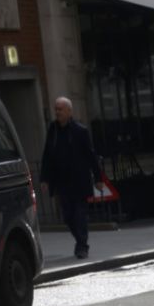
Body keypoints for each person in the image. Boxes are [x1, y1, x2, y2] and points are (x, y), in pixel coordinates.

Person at [40, 97, 102, 259]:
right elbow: (47, 155)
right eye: (56, 109)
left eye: (60, 109)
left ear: (69, 111)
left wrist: (98, 178)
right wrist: (44, 178)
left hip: (79, 180)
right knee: (67, 216)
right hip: (61, 181)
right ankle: (80, 240)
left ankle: (82, 245)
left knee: (79, 214)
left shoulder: (80, 131)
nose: (57, 112)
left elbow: (91, 155)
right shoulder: (53, 130)